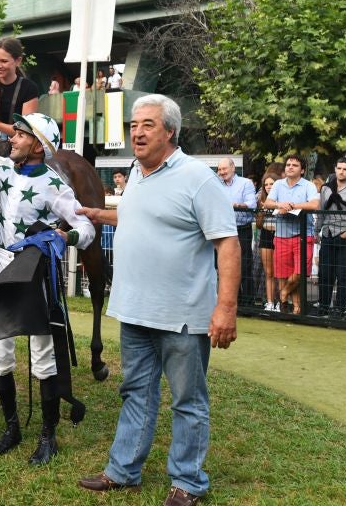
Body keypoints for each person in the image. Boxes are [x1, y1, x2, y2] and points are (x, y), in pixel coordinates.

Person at [76, 94, 240, 505]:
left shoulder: (198, 178)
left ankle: (187, 483)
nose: (137, 132)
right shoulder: (137, 172)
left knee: (188, 401)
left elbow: (228, 245)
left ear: (170, 131)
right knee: (136, 392)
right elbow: (142, 215)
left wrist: (225, 308)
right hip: (134, 311)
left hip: (183, 318)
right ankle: (123, 470)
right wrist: (101, 215)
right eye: (133, 125)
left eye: (147, 124)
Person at [0, 112, 95, 464]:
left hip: (36, 274)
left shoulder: (54, 184)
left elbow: (87, 228)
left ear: (37, 145)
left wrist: (64, 235)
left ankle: (48, 435)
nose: (11, 138)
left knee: (42, 355)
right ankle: (12, 428)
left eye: (19, 134)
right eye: (13, 134)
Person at [263, 155, 320, 315]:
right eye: (288, 164)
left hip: (303, 234)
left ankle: (283, 294)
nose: (290, 167)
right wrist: (279, 204)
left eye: (294, 165)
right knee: (282, 273)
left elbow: (315, 204)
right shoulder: (279, 184)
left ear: (302, 170)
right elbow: (268, 202)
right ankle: (295, 308)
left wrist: (292, 206)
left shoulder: (308, 185)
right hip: (281, 234)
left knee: (300, 271)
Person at [314, 158, 346, 317]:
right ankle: (324, 306)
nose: (341, 171)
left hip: (345, 235)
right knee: (325, 274)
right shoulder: (326, 188)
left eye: (345, 169)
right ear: (335, 169)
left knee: (343, 275)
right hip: (327, 234)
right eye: (339, 168)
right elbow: (321, 211)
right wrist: (316, 230)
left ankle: (340, 308)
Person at [217, 158, 257, 308]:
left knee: (245, 265)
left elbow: (252, 204)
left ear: (233, 168)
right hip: (222, 230)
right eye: (219, 170)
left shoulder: (245, 183)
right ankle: (232, 302)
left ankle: (248, 303)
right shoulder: (216, 184)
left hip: (241, 229)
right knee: (224, 267)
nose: (221, 172)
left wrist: (238, 205)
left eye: (224, 169)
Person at [257, 174, 280, 311]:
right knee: (269, 272)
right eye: (266, 184)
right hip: (266, 235)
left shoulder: (282, 198)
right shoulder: (262, 200)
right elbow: (259, 223)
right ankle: (270, 302)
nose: (269, 187)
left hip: (281, 235)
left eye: (271, 184)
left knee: (280, 272)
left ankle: (280, 301)